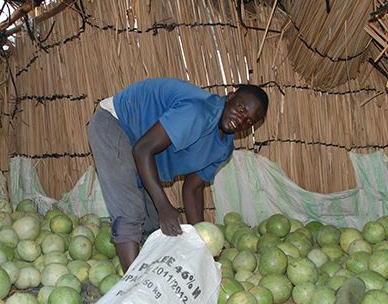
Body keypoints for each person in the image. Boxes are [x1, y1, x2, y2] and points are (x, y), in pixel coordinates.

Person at [87, 78, 268, 271]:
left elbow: (193, 188)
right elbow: (143, 150)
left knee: (157, 226)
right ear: (230, 97)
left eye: (249, 121)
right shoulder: (198, 110)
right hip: (117, 123)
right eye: (241, 109)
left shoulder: (223, 148)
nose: (241, 120)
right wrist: (164, 206)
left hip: (141, 150)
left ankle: (149, 274)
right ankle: (134, 287)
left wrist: (201, 242)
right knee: (130, 213)